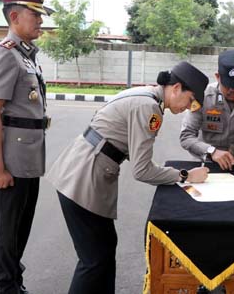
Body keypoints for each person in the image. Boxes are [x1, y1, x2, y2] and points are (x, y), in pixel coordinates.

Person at [45, 61, 210, 294]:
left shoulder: (144, 94)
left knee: (104, 250)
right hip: (84, 178)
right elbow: (142, 170)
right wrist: (185, 175)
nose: (189, 107)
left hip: (80, 168)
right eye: (191, 101)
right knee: (93, 260)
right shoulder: (150, 109)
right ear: (176, 88)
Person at [0, 0, 54, 294]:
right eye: (34, 15)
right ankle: (6, 287)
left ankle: (15, 281)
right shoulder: (6, 55)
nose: (41, 21)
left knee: (20, 230)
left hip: (27, 160)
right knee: (8, 231)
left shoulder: (27, 56)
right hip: (10, 163)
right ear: (14, 16)